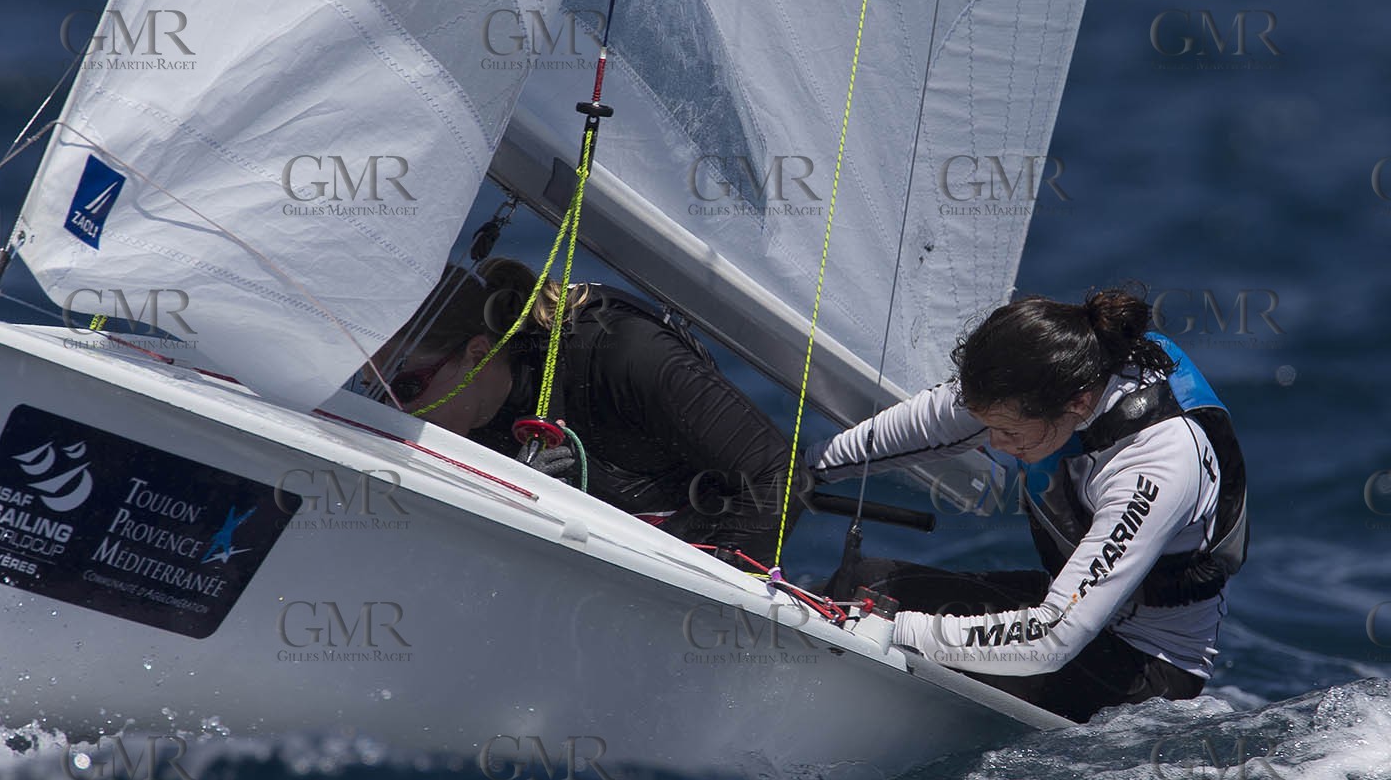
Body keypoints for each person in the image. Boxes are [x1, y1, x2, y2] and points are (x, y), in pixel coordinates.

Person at [806, 289, 1248, 723]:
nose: (994, 444)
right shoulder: (1061, 371)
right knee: (864, 584)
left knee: (875, 613)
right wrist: (806, 469)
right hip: (1078, 613)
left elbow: (1052, 637)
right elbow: (935, 420)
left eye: (1008, 433)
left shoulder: (1157, 464)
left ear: (1075, 403)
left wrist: (894, 628)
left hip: (1144, 673)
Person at [371, 257, 805, 561]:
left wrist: (692, 591)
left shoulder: (622, 353)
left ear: (478, 354)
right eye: (372, 386)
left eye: (405, 386)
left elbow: (782, 479)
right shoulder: (464, 410)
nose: (390, 408)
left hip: (680, 559)